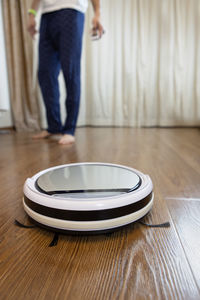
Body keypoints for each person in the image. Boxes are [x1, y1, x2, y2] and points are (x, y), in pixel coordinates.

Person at [28, 0, 104, 145]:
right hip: (47, 15)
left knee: (70, 70)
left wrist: (97, 14)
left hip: (71, 10)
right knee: (45, 73)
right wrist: (31, 14)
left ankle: (69, 129)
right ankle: (54, 126)